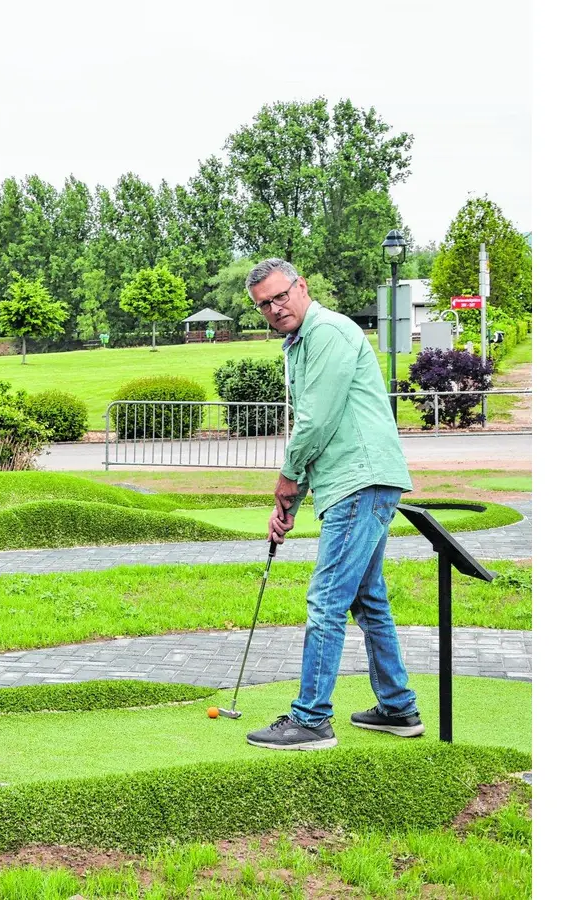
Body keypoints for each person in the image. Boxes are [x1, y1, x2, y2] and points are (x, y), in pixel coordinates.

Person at [242, 259, 421, 751]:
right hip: (356, 480)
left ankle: (312, 718)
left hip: (358, 480)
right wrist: (293, 500)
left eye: (281, 296)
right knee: (368, 600)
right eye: (265, 304)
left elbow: (316, 422)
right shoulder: (299, 343)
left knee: (327, 601)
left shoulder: (329, 332)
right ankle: (398, 707)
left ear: (302, 287)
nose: (276, 308)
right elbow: (319, 425)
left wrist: (287, 481)